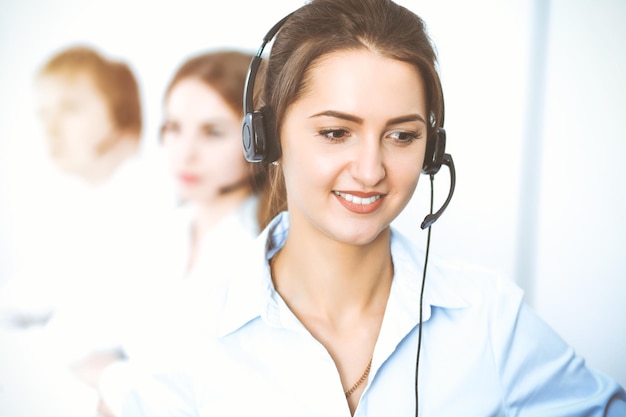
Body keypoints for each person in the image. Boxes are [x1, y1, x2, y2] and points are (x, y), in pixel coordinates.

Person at [119, 1, 626, 416]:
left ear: (431, 151)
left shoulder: (489, 319)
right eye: (336, 132)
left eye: (402, 136)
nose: (370, 170)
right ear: (268, 137)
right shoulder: (183, 340)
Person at [70, 49, 271, 417]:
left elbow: (218, 389)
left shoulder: (266, 249)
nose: (186, 152)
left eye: (213, 132)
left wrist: (113, 379)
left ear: (258, 140)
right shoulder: (162, 230)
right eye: (174, 128)